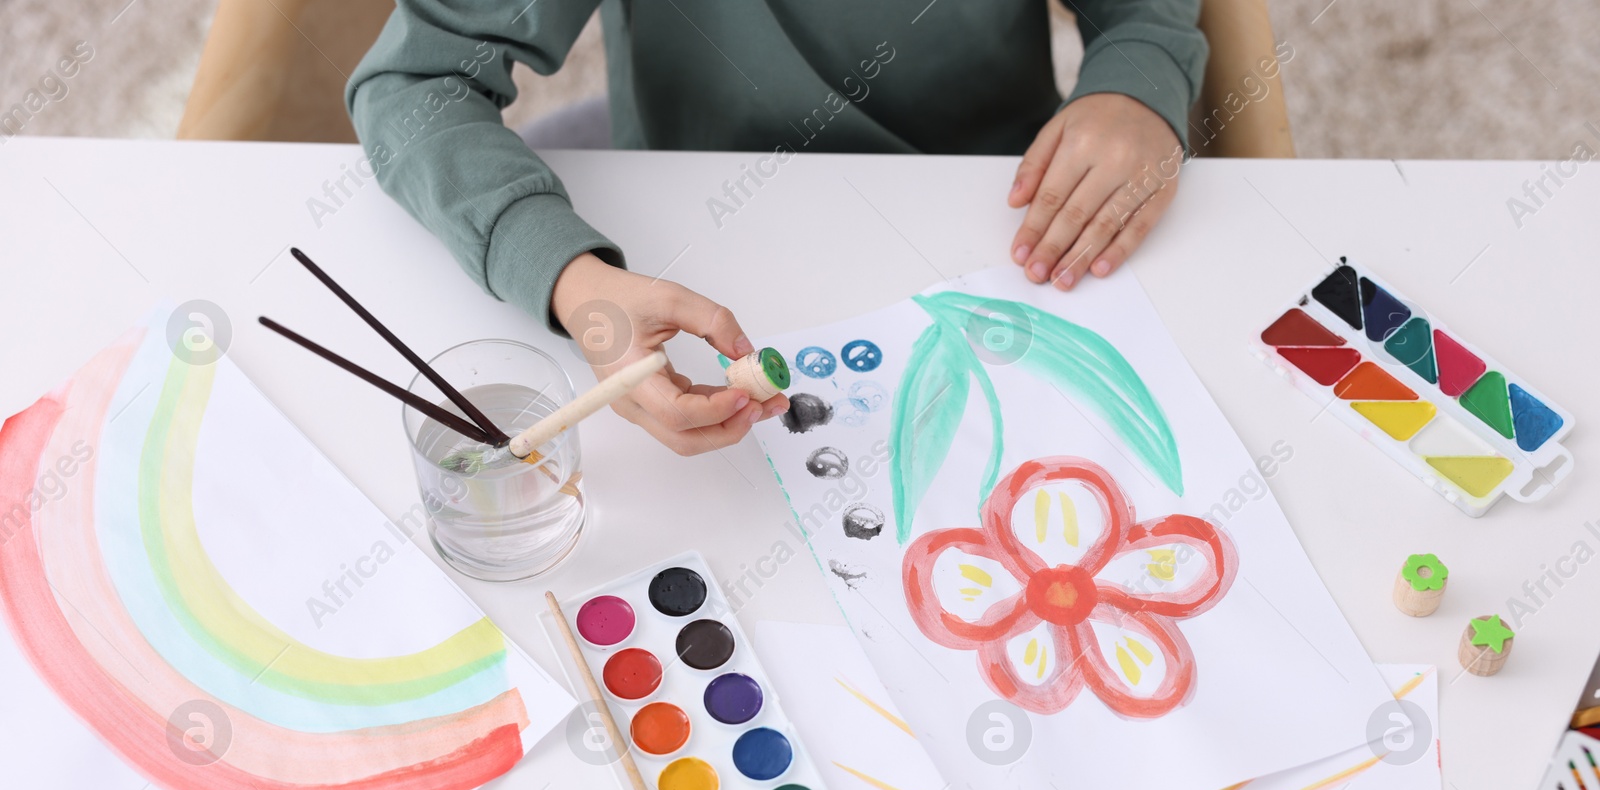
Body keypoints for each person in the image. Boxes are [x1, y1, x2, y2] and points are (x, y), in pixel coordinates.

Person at [348, 1, 1206, 455]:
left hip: (1000, 225)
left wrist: (1139, 81)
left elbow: (1144, 15)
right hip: (696, 234)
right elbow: (413, 85)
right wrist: (573, 281)